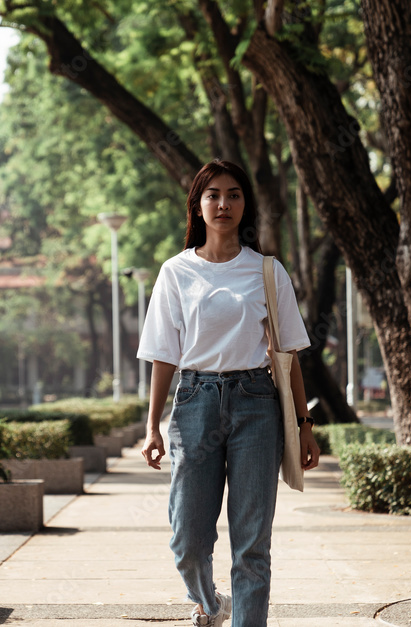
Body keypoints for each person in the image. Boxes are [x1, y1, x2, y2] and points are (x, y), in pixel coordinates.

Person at [137, 159, 320, 627]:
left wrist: (304, 425)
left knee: (252, 542)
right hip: (195, 402)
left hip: (257, 405)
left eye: (234, 194)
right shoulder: (176, 272)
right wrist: (152, 425)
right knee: (188, 541)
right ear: (198, 206)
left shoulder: (266, 270)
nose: (224, 204)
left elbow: (288, 354)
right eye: (213, 194)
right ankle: (211, 604)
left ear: (245, 204)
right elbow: (164, 355)